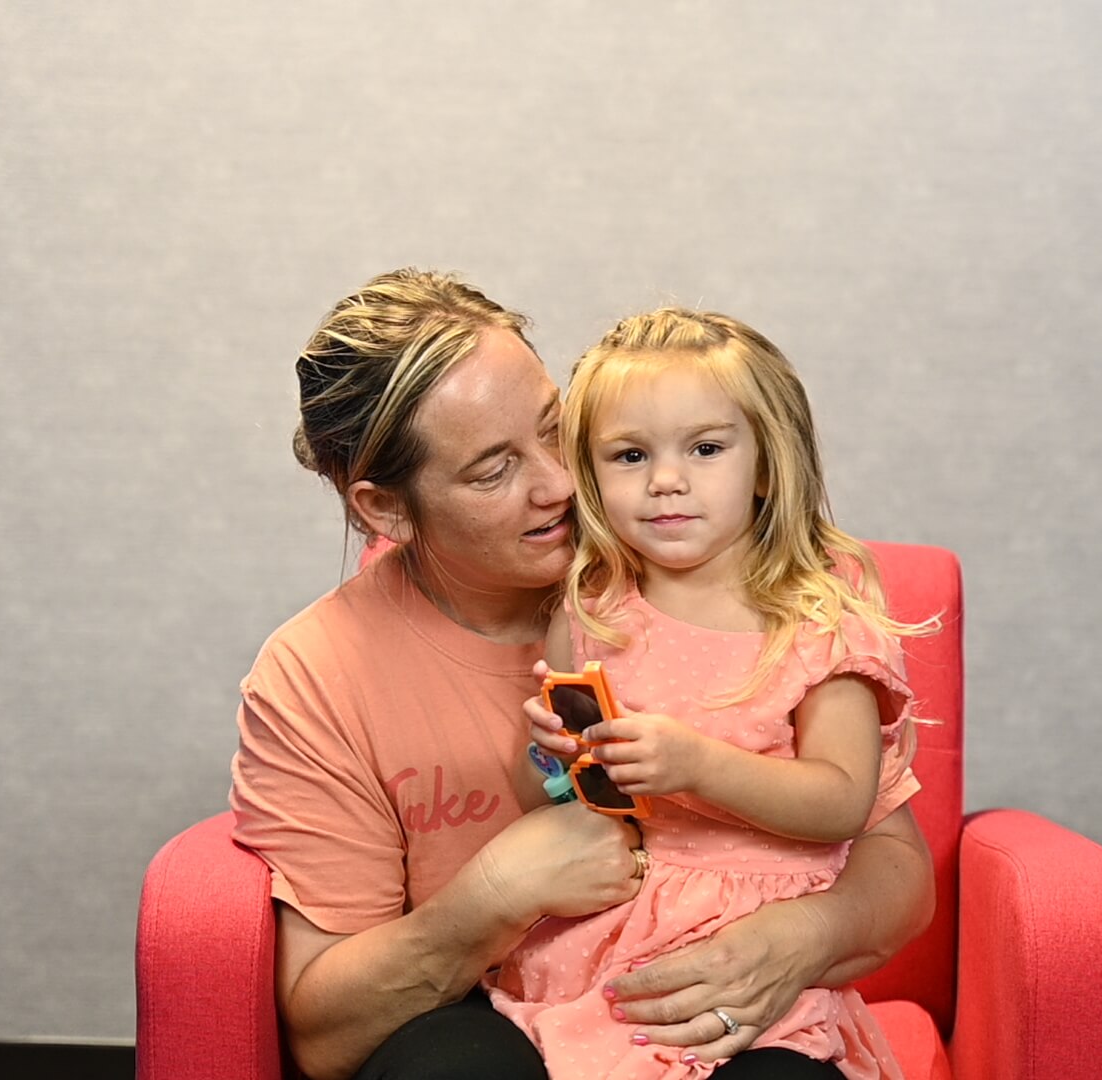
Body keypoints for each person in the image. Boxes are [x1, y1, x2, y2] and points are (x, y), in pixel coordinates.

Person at [230, 270, 934, 1080]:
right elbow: (326, 1037)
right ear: (386, 510)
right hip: (512, 1007)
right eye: (493, 470)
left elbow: (892, 865)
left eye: (555, 430)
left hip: (721, 992)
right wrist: (497, 890)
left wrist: (798, 938)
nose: (563, 485)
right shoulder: (318, 674)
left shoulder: (717, 591)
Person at [486, 308, 928, 1080]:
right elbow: (550, 803)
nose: (666, 480)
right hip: (610, 942)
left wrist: (699, 766)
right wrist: (554, 761)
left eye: (706, 448)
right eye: (630, 454)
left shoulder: (818, 625)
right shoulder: (591, 614)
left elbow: (842, 800)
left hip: (760, 952)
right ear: (590, 475)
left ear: (765, 467)